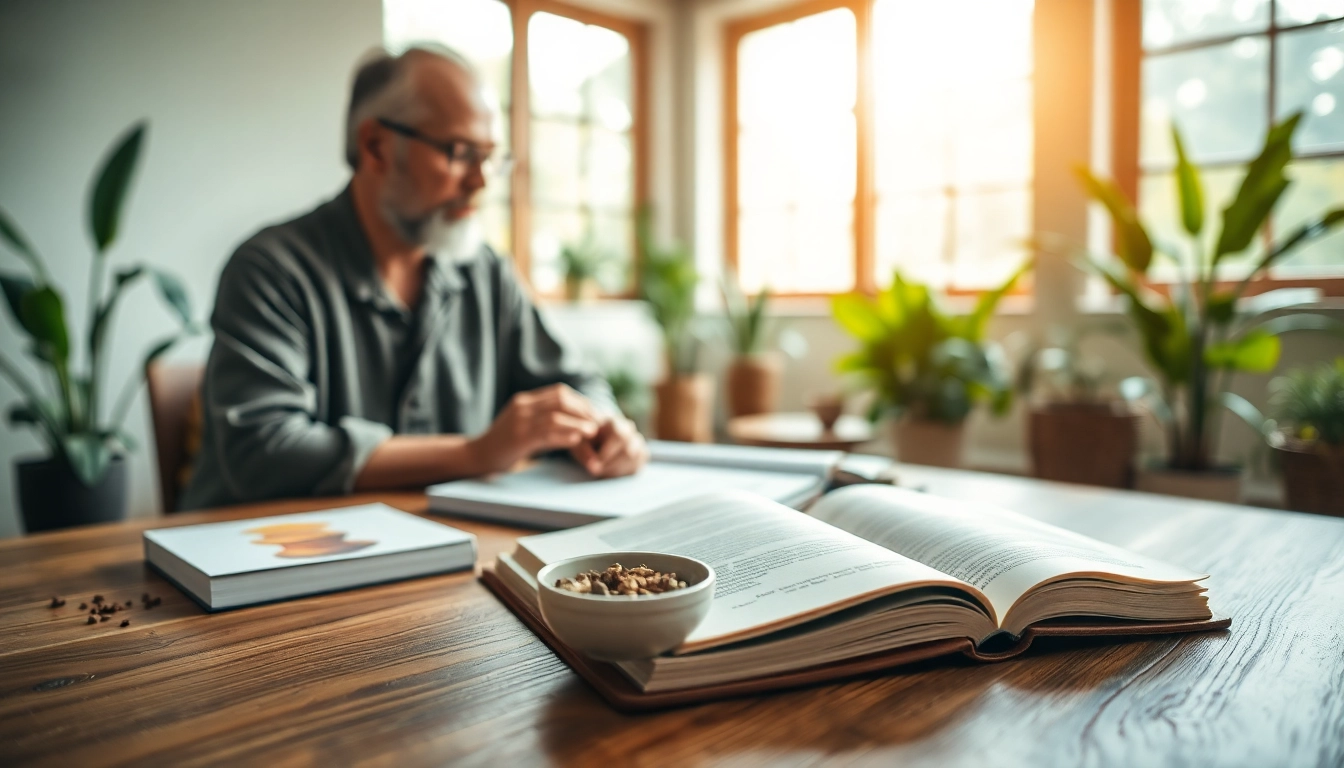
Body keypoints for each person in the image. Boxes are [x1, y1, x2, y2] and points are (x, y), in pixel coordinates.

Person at [179, 45, 648, 510]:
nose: (481, 181)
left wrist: (605, 427)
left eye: (491, 158)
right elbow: (263, 452)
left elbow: (575, 383)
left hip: (440, 553)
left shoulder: (486, 272)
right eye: (461, 153)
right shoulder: (271, 269)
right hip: (261, 561)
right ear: (376, 147)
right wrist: (475, 453)